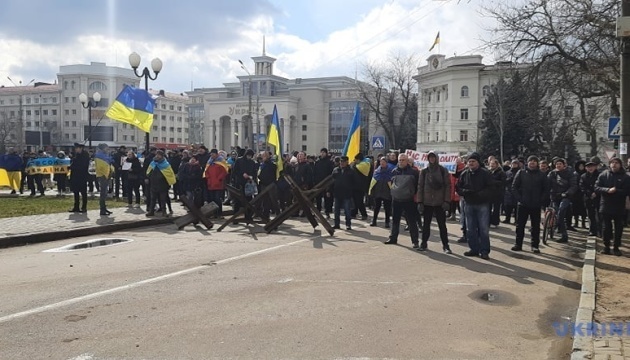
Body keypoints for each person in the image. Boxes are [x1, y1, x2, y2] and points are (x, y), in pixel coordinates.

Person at [456, 152, 494, 259]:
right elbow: (458, 187)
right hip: (469, 204)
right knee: (470, 229)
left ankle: (484, 250)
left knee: (483, 229)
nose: (471, 163)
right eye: (469, 161)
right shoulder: (464, 173)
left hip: (482, 205)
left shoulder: (485, 174)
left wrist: (480, 194)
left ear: (478, 162)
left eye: (473, 161)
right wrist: (465, 192)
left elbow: (491, 188)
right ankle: (474, 249)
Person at [511, 155, 549, 253]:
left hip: (536, 204)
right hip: (523, 204)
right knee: (520, 225)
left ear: (537, 163)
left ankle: (535, 245)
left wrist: (541, 200)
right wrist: (520, 198)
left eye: (534, 161)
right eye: (530, 161)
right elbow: (514, 187)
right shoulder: (521, 172)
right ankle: (518, 244)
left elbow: (546, 189)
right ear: (527, 163)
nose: (532, 163)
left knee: (535, 226)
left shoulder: (541, 175)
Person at [416, 151, 452, 253]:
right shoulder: (424, 171)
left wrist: (447, 201)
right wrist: (420, 202)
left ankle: (446, 245)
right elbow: (420, 187)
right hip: (427, 202)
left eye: (433, 157)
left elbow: (448, 186)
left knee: (442, 225)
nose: (432, 159)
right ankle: (423, 243)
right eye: (430, 157)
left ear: (436, 158)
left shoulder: (442, 170)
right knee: (426, 225)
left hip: (440, 202)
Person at [595, 157, 630, 256]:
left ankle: (616, 247)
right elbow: (597, 188)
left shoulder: (625, 177)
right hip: (605, 205)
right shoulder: (603, 175)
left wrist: (616, 191)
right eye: (612, 163)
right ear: (609, 164)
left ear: (620, 164)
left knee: (619, 227)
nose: (614, 165)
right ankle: (606, 246)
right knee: (606, 227)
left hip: (619, 206)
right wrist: (607, 190)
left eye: (616, 163)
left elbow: (627, 191)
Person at [384, 154, 420, 248]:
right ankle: (393, 238)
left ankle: (415, 241)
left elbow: (417, 185)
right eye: (400, 160)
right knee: (395, 220)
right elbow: (391, 183)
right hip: (396, 200)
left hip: (409, 200)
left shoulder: (414, 172)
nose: (401, 162)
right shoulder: (394, 171)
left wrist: (411, 193)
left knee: (411, 221)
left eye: (403, 160)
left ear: (407, 161)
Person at [548, 158, 577, 243]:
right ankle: (553, 225)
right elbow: (546, 183)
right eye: (557, 164)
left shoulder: (570, 174)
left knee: (561, 213)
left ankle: (564, 236)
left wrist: (567, 193)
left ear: (564, 165)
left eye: (560, 164)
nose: (558, 165)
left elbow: (574, 186)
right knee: (555, 212)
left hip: (565, 197)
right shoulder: (552, 173)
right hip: (554, 196)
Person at [145, 150, 176, 217]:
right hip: (153, 184)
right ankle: (151, 211)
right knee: (153, 199)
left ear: (162, 156)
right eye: (156, 154)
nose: (157, 156)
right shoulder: (153, 163)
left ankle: (164, 212)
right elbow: (148, 171)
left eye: (159, 155)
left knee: (163, 199)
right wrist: (148, 177)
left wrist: (169, 183)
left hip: (163, 184)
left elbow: (170, 174)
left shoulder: (166, 164)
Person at [329, 156, 354, 230]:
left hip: (347, 193)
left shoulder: (351, 171)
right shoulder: (336, 170)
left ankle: (348, 224)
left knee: (347, 210)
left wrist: (351, 190)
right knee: (336, 210)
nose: (342, 163)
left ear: (347, 162)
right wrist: (329, 190)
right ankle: (337, 224)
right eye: (341, 161)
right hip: (337, 193)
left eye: (343, 162)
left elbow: (354, 182)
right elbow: (331, 181)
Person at [370, 157, 394, 228]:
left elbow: (392, 181)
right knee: (376, 207)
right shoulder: (377, 171)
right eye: (381, 162)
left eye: (383, 162)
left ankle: (387, 222)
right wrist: (372, 191)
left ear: (386, 163)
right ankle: (374, 221)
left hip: (387, 192)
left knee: (387, 208)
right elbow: (373, 180)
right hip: (378, 192)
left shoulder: (391, 171)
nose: (382, 163)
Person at [205, 149, 229, 217]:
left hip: (218, 183)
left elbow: (224, 171)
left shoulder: (221, 161)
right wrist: (208, 178)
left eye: (212, 154)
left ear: (216, 154)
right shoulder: (209, 162)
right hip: (211, 183)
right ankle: (214, 213)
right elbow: (206, 172)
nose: (211, 155)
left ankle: (219, 213)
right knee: (212, 199)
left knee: (217, 199)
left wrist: (219, 179)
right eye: (211, 154)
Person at [581, 157, 601, 237]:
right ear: (586, 168)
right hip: (588, 198)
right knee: (590, 215)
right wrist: (590, 194)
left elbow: (602, 185)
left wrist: (596, 193)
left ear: (595, 167)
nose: (590, 168)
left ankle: (600, 231)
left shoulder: (600, 175)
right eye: (588, 167)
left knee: (600, 215)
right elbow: (582, 187)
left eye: (592, 166)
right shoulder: (583, 176)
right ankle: (592, 231)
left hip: (599, 197)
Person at [68, 143, 90, 213]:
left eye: (77, 148)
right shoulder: (76, 156)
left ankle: (84, 207)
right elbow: (73, 163)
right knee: (76, 192)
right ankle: (76, 207)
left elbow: (83, 166)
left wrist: (72, 167)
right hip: (75, 177)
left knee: (83, 193)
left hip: (82, 176)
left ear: (80, 148)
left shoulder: (85, 156)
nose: (76, 149)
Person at [94, 143, 114, 216]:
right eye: (106, 148)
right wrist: (106, 174)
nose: (108, 149)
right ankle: (102, 210)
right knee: (103, 193)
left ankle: (104, 208)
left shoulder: (106, 156)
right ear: (102, 148)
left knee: (105, 193)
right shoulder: (99, 156)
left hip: (106, 175)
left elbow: (109, 164)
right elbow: (101, 167)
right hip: (103, 176)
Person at [314, 148, 334, 218]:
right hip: (318, 183)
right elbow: (315, 172)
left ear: (326, 153)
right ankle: (318, 211)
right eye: (321, 152)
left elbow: (331, 174)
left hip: (326, 182)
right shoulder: (317, 162)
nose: (322, 154)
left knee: (327, 198)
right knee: (318, 198)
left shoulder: (329, 162)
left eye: (324, 152)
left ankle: (327, 212)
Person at [488, 159, 506, 227]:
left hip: (497, 193)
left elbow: (503, 182)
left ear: (497, 164)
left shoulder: (501, 173)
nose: (492, 165)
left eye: (493, 164)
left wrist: (493, 182)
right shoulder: (488, 172)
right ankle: (488, 221)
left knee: (496, 209)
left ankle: (495, 222)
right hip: (489, 193)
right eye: (491, 163)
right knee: (488, 208)